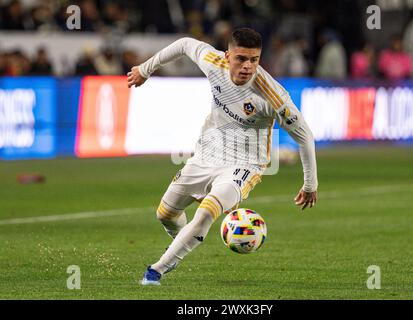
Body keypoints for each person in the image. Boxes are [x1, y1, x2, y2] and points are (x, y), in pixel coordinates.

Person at [127, 28, 318, 286]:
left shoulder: (272, 95)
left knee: (205, 214)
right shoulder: (212, 62)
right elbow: (184, 44)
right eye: (241, 58)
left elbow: (305, 135)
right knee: (165, 214)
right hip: (207, 154)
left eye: (254, 60)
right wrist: (145, 69)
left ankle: (155, 271)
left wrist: (310, 185)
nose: (248, 66)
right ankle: (187, 240)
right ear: (227, 56)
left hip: (244, 166)